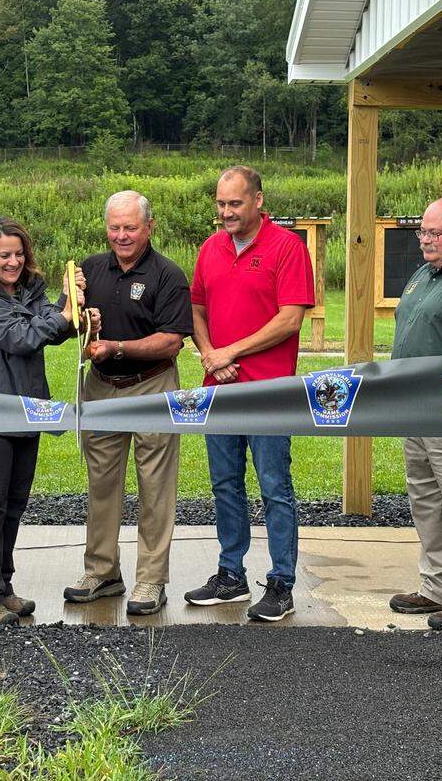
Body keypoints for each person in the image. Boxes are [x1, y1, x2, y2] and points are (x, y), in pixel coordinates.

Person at [0, 217, 97, 629]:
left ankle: (3, 587)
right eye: (4, 255)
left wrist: (75, 311)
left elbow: (50, 326)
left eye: (19, 253)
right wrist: (62, 315)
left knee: (13, 505)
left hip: (25, 411)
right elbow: (19, 337)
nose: (14, 262)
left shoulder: (30, 287)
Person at [184, 166, 315, 622]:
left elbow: (290, 319)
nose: (226, 213)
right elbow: (196, 307)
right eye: (220, 204)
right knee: (224, 484)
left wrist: (230, 351)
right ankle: (231, 575)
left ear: (257, 201)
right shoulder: (210, 248)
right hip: (218, 389)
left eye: (234, 204)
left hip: (268, 391)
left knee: (274, 487)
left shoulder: (287, 247)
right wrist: (208, 354)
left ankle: (281, 583)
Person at [63, 191, 194, 616]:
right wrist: (81, 321)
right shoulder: (88, 269)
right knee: (101, 484)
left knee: (155, 487)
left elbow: (171, 340)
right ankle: (102, 571)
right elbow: (71, 327)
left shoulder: (168, 275)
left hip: (152, 386)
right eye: (115, 227)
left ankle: (151, 579)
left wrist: (116, 346)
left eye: (130, 227)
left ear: (149, 227)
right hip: (100, 387)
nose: (121, 235)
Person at [388, 196, 442, 633]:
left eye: (435, 233)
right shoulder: (423, 275)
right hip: (413, 408)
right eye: (423, 232)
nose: (425, 241)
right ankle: (433, 586)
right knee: (424, 501)